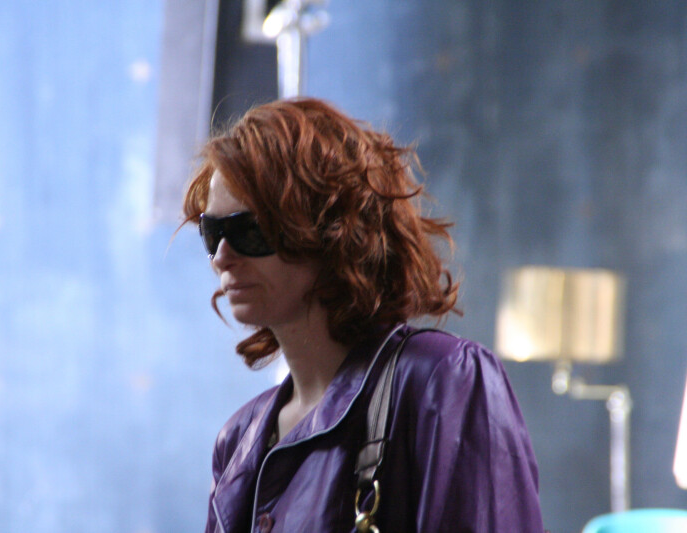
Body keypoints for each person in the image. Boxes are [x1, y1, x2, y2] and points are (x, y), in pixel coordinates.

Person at [182, 98, 544, 532]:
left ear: (331, 227)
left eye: (249, 229)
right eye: (212, 232)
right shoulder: (239, 439)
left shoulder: (443, 382)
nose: (223, 256)